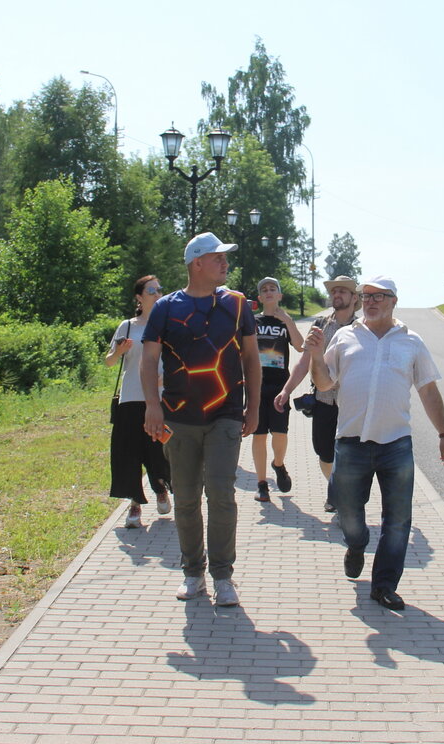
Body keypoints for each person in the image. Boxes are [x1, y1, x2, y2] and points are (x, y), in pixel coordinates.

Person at [306, 275, 444, 611]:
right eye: (366, 296)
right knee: (348, 514)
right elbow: (325, 382)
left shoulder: (411, 341)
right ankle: (356, 545)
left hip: (395, 444)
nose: (371, 301)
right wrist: (316, 356)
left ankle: (384, 586)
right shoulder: (345, 337)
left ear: (393, 301)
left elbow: (428, 391)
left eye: (379, 296)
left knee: (399, 520)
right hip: (351, 442)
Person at [141, 232, 261, 607]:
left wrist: (254, 408)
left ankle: (223, 576)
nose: (225, 263)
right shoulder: (165, 308)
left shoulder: (238, 305)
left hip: (225, 414)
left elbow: (251, 359)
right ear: (197, 263)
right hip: (178, 417)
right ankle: (193, 573)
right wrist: (152, 406)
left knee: (222, 493)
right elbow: (148, 361)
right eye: (217, 257)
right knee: (187, 498)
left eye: (226, 258)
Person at [274, 275, 360, 512]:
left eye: (343, 291)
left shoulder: (362, 330)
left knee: (351, 453)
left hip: (352, 404)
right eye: (334, 291)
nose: (337, 295)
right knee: (323, 451)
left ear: (354, 298)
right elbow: (303, 363)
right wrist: (286, 389)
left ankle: (340, 495)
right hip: (324, 400)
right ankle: (336, 486)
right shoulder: (320, 326)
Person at [105, 275, 170, 529]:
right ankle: (134, 504)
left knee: (158, 451)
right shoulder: (127, 326)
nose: (157, 293)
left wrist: (167, 377)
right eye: (151, 290)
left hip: (160, 398)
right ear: (139, 297)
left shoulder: (167, 324)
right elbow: (109, 361)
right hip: (131, 396)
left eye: (159, 289)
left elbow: (179, 359)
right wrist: (119, 351)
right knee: (129, 453)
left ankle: (161, 487)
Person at [251, 277, 304, 502]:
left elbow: (301, 346)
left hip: (280, 387)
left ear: (280, 296)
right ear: (260, 298)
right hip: (256, 386)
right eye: (264, 290)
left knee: (280, 434)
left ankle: (278, 464)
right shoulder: (252, 321)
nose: (269, 291)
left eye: (273, 289)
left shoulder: (285, 322)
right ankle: (262, 484)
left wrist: (289, 321)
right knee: (259, 435)